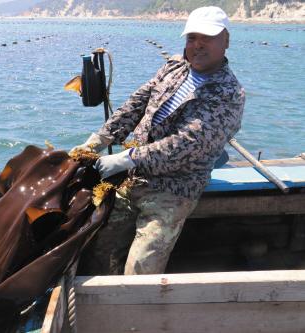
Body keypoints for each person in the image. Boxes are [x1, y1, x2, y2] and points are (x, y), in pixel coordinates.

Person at [72, 6, 245, 275]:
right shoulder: (174, 67)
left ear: (226, 41)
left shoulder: (229, 94)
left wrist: (125, 158)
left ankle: (135, 313)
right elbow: (136, 104)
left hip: (174, 189)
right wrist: (98, 140)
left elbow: (187, 143)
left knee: (141, 269)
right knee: (98, 251)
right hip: (133, 179)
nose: (197, 45)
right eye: (191, 38)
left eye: (207, 38)